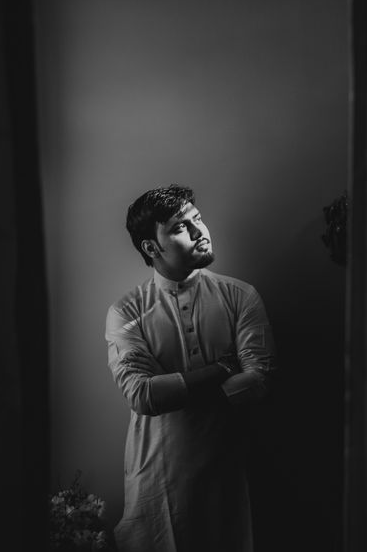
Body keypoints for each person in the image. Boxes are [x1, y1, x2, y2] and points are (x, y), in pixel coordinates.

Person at [105, 184, 276, 552]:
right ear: (151, 247)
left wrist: (176, 389)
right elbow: (142, 395)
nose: (200, 232)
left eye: (198, 219)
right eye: (181, 227)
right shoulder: (128, 311)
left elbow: (258, 382)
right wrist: (223, 368)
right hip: (159, 481)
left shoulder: (240, 296)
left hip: (230, 474)